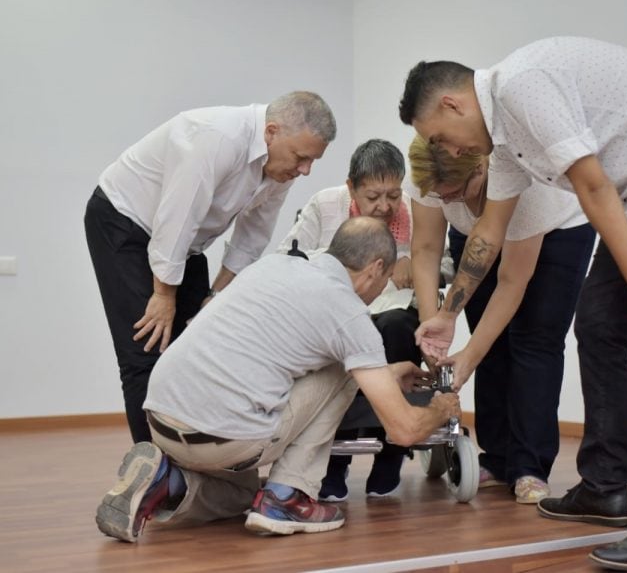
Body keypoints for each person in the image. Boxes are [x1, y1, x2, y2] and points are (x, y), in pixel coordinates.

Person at [398, 37, 627, 570]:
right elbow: (488, 235)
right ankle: (604, 487)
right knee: (600, 327)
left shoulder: (521, 85)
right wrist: (448, 312)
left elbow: (592, 186)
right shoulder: (507, 139)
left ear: (453, 104)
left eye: (440, 138)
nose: (444, 150)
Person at [95, 217, 461, 542]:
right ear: (374, 269)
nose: (383, 289)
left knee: (241, 495)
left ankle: (167, 483)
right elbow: (403, 430)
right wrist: (442, 408)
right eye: (386, 280)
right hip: (225, 438)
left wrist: (388, 373)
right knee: (345, 369)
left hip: (160, 419)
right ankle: (288, 496)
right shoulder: (348, 313)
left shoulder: (273, 266)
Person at [84, 92, 336, 444]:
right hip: (124, 221)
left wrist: (216, 294)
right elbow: (178, 216)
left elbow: (252, 236)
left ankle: (193, 463)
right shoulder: (216, 137)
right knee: (146, 350)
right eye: (301, 157)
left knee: (198, 349)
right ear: (271, 132)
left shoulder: (282, 167)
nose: (305, 170)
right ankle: (155, 471)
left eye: (312, 161)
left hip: (184, 243)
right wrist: (163, 293)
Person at [408, 136, 594, 503]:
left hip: (558, 229)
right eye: (440, 196)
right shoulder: (427, 170)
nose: (447, 201)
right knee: (489, 342)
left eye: (456, 192)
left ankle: (529, 466)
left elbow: (512, 282)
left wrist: (468, 358)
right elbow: (427, 250)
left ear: (480, 168)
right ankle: (497, 457)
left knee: (533, 340)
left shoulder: (522, 175)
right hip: (476, 235)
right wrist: (433, 326)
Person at [278, 138, 430, 500]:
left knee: (395, 328)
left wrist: (419, 263)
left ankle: (391, 453)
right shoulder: (324, 205)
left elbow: (442, 262)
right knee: (337, 350)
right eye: (373, 196)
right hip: (339, 309)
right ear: (352, 187)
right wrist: (344, 266)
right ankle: (335, 463)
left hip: (394, 310)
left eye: (392, 195)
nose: (384, 207)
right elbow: (289, 256)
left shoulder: (415, 210)